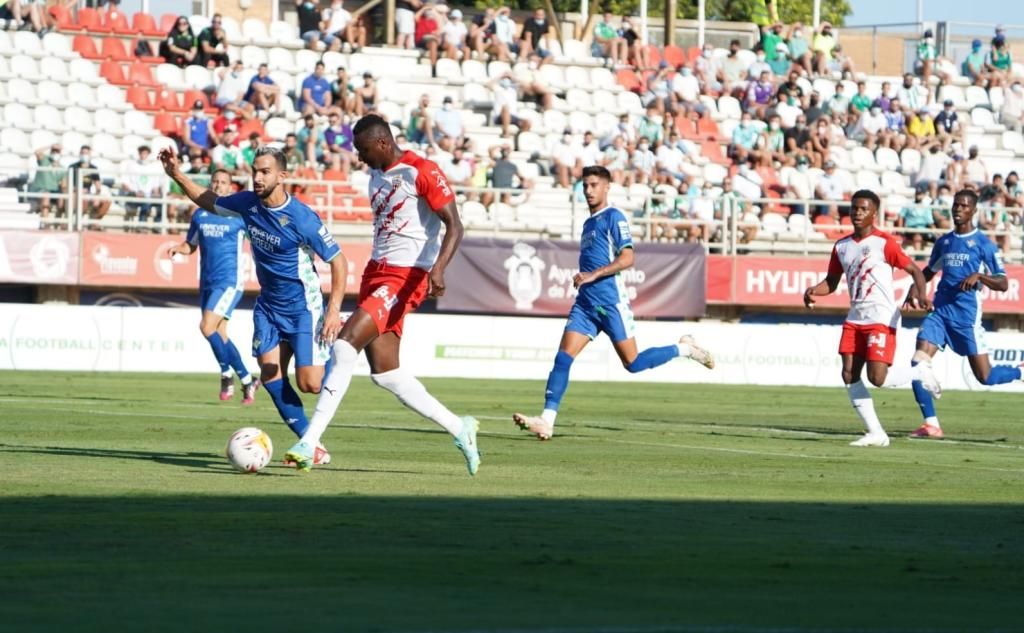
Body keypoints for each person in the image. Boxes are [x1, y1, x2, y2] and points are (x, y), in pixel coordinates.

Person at [279, 114, 481, 475]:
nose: (360, 157)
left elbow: (455, 225)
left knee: (344, 347)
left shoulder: (421, 170)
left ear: (383, 143)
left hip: (406, 276)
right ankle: (459, 426)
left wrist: (438, 269)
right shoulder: (375, 175)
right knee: (387, 374)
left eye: (363, 149)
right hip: (376, 273)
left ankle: (310, 441)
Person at [159, 144, 348, 466]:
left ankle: (339, 352)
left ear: (282, 176)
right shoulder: (247, 204)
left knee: (310, 384)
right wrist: (177, 174)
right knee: (271, 376)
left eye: (265, 172)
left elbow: (338, 261)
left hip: (304, 309)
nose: (257, 178)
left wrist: (333, 310)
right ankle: (311, 444)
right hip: (269, 308)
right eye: (255, 172)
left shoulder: (302, 218)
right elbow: (207, 200)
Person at [512, 165, 714, 441]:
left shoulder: (614, 217)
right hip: (585, 304)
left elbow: (628, 258)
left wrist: (593, 275)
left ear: (607, 187)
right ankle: (547, 420)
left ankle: (686, 349)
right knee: (563, 357)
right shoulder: (588, 224)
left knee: (633, 363)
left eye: (594, 185)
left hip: (610, 303)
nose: (588, 190)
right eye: (585, 185)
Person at [803, 190, 937, 447]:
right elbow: (831, 282)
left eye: (864, 209)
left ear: (874, 213)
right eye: (854, 208)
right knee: (848, 373)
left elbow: (915, 271)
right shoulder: (841, 246)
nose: (857, 212)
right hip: (855, 317)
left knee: (878, 378)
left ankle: (919, 371)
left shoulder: (884, 243)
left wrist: (920, 295)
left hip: (881, 317)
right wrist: (813, 291)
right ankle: (876, 433)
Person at [907, 189, 1024, 439]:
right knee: (918, 363)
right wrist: (914, 289)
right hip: (940, 313)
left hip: (966, 320)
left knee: (985, 376)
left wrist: (980, 276)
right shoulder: (944, 242)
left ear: (973, 210)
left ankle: (1020, 372)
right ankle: (931, 424)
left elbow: (1003, 283)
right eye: (956, 205)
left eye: (964, 205)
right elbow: (928, 272)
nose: (958, 209)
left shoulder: (983, 244)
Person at [167, 169, 259, 403]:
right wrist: (179, 248)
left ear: (231, 187)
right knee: (219, 333)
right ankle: (247, 379)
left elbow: (259, 240)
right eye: (215, 181)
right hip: (207, 281)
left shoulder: (239, 216)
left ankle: (227, 374)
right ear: (210, 184)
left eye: (223, 182)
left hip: (229, 282)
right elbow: (191, 245)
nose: (218, 185)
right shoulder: (200, 214)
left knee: (206, 327)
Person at [122, 145, 164, 228]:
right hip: (134, 195)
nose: (143, 155)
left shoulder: (153, 168)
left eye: (145, 153)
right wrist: (135, 192)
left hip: (148, 196)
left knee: (161, 203)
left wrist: (156, 194)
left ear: (148, 154)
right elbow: (125, 184)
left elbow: (155, 187)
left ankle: (157, 226)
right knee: (146, 202)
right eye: (141, 153)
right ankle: (141, 226)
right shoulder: (131, 166)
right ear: (139, 154)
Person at [29, 144, 66, 221]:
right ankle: (45, 223)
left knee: (62, 199)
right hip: (40, 190)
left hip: (54, 191)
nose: (55, 153)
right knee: (46, 196)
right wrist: (51, 146)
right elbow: (37, 152)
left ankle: (58, 222)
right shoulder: (44, 160)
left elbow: (64, 185)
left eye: (57, 151)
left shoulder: (62, 168)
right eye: (53, 151)